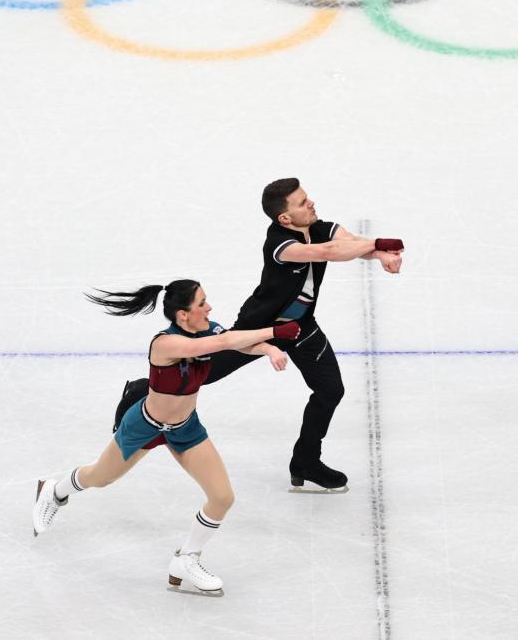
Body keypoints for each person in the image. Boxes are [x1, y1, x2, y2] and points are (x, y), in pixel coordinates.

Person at [31, 279, 299, 596]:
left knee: (223, 497)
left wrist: (268, 348)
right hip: (144, 425)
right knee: (99, 477)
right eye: (202, 303)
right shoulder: (165, 343)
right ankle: (54, 490)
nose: (209, 307)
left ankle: (186, 559)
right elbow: (213, 345)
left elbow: (232, 341)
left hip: (185, 428)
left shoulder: (207, 329)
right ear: (183, 315)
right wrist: (273, 332)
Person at [203, 178, 404, 492]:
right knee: (202, 375)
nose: (311, 203)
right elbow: (329, 252)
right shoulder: (281, 244)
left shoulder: (319, 226)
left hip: (301, 328)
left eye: (307, 198)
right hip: (262, 328)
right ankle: (139, 392)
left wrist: (380, 255)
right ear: (285, 218)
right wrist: (380, 243)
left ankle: (306, 461)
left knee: (330, 390)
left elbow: (349, 242)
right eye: (302, 202)